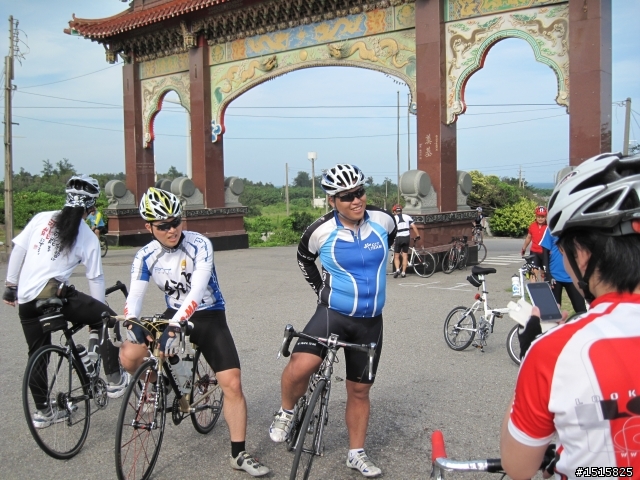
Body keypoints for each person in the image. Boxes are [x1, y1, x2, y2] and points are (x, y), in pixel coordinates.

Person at [500, 152, 640, 479]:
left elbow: (518, 467)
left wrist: (531, 355)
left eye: (564, 250)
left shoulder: (555, 351)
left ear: (582, 253)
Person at [118, 187, 269, 477]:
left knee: (232, 383)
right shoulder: (145, 256)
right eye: (163, 226)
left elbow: (197, 291)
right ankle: (156, 385)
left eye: (176, 222)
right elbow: (135, 295)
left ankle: (238, 454)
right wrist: (132, 321)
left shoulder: (199, 244)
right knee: (129, 353)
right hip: (173, 312)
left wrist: (175, 325)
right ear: (149, 227)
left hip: (208, 314)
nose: (172, 230)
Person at [269, 164, 396, 478]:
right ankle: (286, 411)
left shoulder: (384, 221)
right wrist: (320, 290)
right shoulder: (320, 230)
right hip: (332, 314)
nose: (356, 200)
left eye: (359, 192)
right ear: (332, 201)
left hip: (370, 321)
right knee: (300, 365)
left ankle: (356, 453)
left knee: (360, 390)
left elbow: (391, 242)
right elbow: (304, 258)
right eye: (346, 196)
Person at [2, 175, 129, 427]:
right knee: (108, 319)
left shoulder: (41, 218)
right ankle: (115, 380)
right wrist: (101, 311)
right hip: (54, 297)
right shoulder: (88, 236)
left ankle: (43, 412)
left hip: (26, 300)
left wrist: (10, 287)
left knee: (37, 353)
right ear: (90, 207)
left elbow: (19, 250)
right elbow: (95, 278)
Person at [540, 227, 587, 314]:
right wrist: (547, 274)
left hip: (572, 277)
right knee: (554, 312)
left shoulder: (574, 227)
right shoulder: (552, 228)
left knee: (581, 310)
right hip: (554, 276)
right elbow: (545, 253)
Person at [391, 204, 420, 278]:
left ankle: (397, 270)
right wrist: (418, 235)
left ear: (394, 211)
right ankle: (403, 272)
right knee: (405, 255)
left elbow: (391, 230)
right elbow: (414, 226)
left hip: (398, 237)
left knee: (396, 255)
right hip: (406, 237)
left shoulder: (394, 218)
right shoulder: (407, 217)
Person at [521, 206, 548, 281]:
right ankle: (533, 286)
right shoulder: (532, 226)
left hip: (545, 252)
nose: (540, 219)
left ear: (546, 217)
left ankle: (544, 286)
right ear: (536, 216)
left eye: (542, 217)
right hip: (534, 252)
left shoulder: (548, 227)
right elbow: (529, 237)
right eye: (538, 217)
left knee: (544, 272)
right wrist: (524, 248)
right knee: (533, 271)